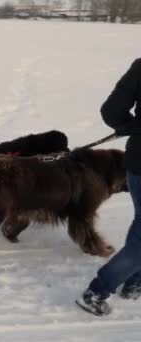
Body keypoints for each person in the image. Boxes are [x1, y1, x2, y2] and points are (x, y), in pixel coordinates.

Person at [76, 58, 141, 316]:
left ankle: (134, 283)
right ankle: (97, 291)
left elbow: (112, 110)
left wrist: (133, 127)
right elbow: (112, 111)